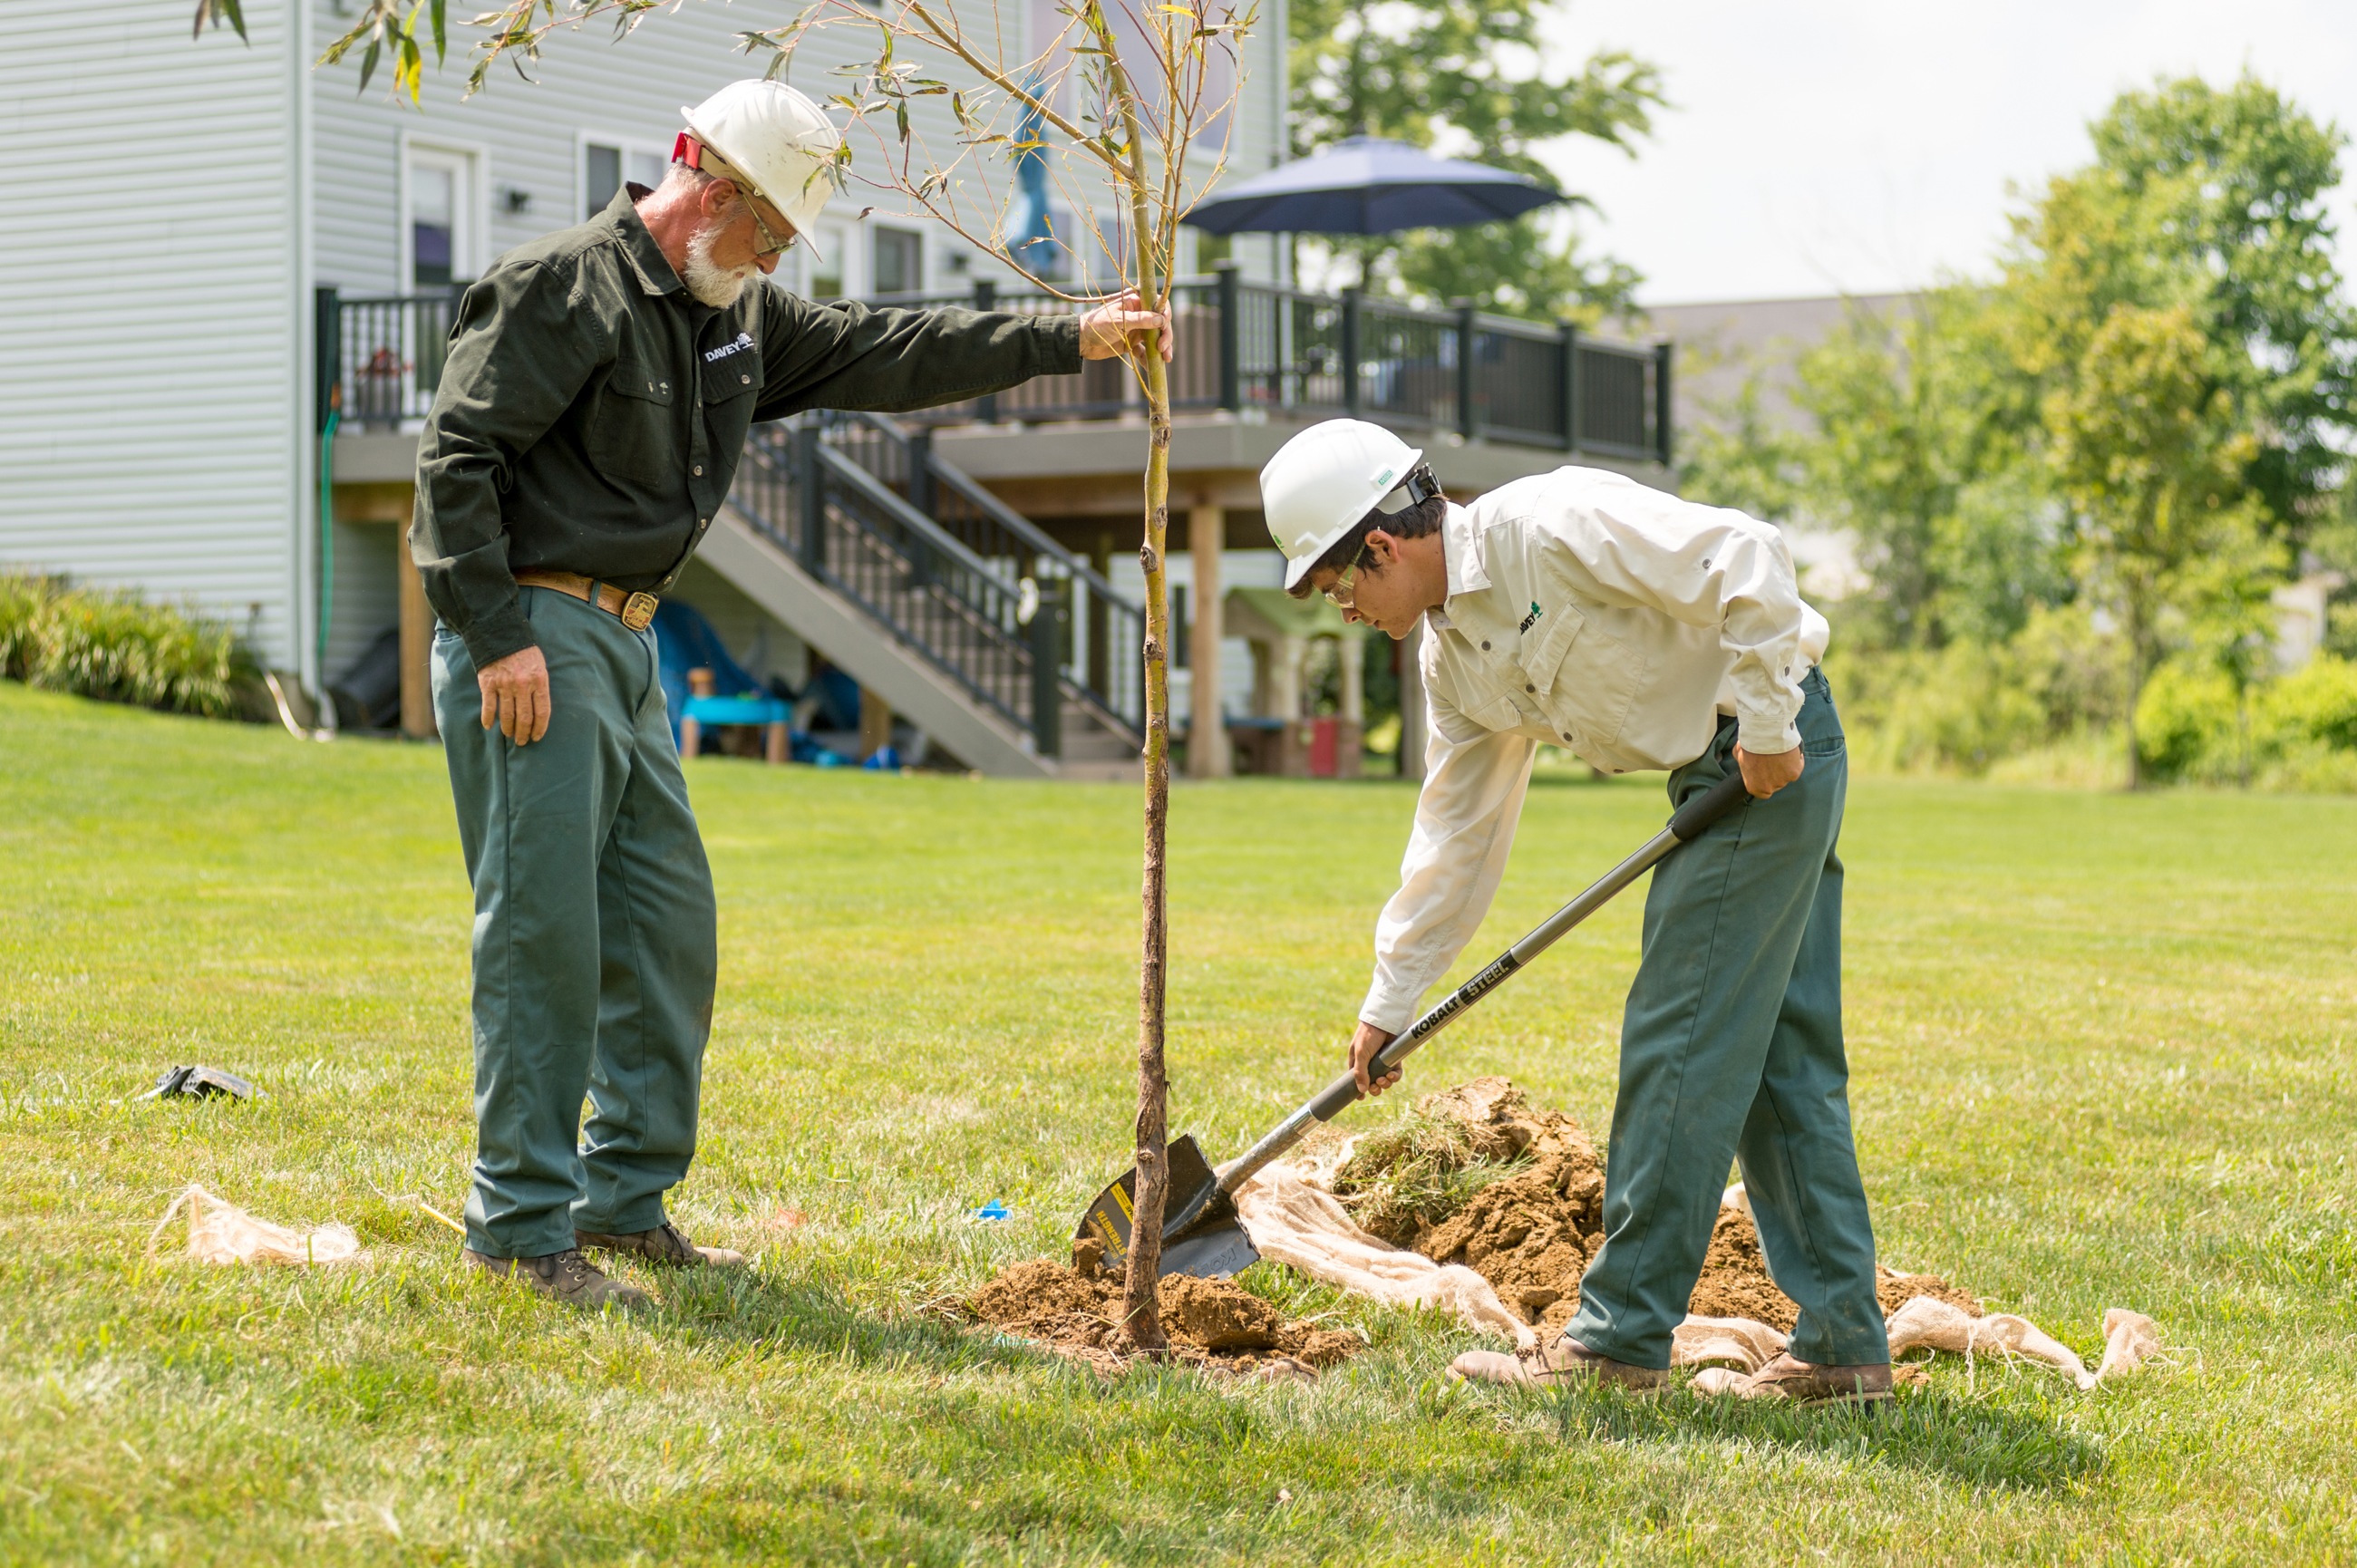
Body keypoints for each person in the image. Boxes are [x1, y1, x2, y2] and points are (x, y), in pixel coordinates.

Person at [412, 80, 1170, 1311]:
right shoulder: (565, 286)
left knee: (667, 923)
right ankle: (517, 1224)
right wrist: (495, 633)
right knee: (545, 935)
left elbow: (887, 347)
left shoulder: (737, 317)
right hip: (535, 632)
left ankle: (621, 1200)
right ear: (711, 189)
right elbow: (457, 453)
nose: (775, 255)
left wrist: (1067, 334)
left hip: (631, 642)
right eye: (769, 229)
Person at [1261, 419, 1892, 1404]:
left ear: (1380, 544)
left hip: (1765, 759)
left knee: (1678, 1035)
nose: (1344, 609)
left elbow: (1744, 555)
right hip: (1722, 771)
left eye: (1341, 585)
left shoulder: (1546, 525)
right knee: (1774, 1057)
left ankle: (1617, 1340)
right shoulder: (1450, 662)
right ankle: (1843, 1344)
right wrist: (1393, 995)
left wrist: (1768, 723)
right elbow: (1456, 830)